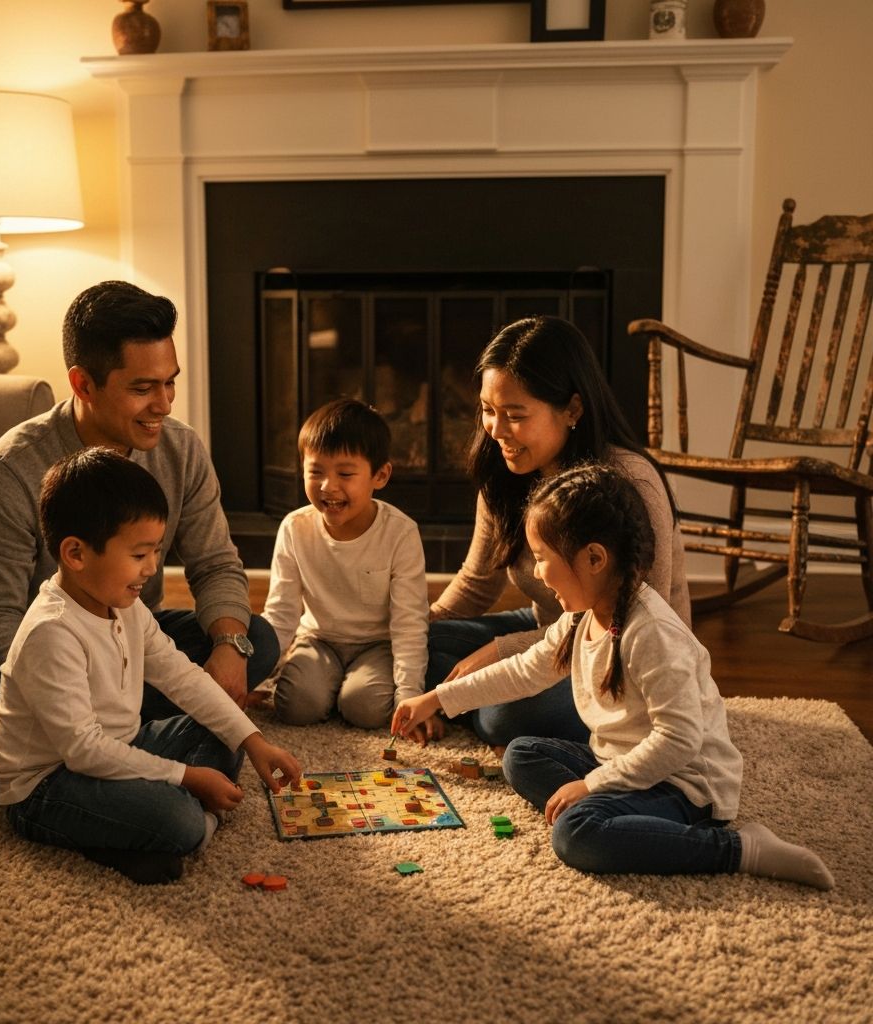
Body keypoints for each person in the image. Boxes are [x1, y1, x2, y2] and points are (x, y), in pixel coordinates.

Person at [393, 465, 834, 890]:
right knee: (521, 755)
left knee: (576, 835)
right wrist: (436, 698)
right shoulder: (582, 616)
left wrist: (592, 786)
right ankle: (623, 816)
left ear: (595, 558)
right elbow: (526, 670)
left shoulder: (652, 633)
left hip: (684, 785)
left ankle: (737, 848)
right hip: (618, 762)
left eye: (544, 558)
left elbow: (679, 740)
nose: (540, 574)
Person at [0, 281, 279, 792]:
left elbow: (216, 563)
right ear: (83, 383)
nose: (163, 404)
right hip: (47, 662)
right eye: (142, 388)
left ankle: (84, 751)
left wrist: (227, 645)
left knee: (257, 640)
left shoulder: (180, 449)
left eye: (170, 383)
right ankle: (100, 745)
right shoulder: (7, 472)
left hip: (134, 636)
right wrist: (76, 688)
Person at [0, 447, 301, 885]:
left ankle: (139, 830)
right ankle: (169, 829)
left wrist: (253, 741)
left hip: (125, 743)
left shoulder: (125, 605)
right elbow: (83, 751)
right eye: (139, 555)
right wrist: (187, 776)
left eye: (157, 551)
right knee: (180, 821)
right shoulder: (52, 632)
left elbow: (181, 676)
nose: (153, 568)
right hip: (48, 784)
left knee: (225, 729)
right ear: (76, 553)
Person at [426, 315, 690, 748]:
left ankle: (487, 709)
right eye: (488, 412)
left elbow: (633, 617)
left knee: (500, 716)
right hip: (548, 633)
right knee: (425, 645)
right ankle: (468, 701)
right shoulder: (505, 472)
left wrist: (502, 653)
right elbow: (476, 585)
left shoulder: (628, 482)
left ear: (572, 409)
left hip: (621, 661)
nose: (496, 431)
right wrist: (411, 631)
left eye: (514, 415)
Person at [262, 398, 430, 732]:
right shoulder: (295, 528)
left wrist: (409, 694)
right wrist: (253, 677)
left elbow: (409, 620)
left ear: (379, 475)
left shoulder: (400, 533)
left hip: (377, 646)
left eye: (345, 473)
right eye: (316, 472)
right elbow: (280, 612)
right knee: (296, 706)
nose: (328, 486)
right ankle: (324, 683)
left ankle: (346, 689)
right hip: (318, 639)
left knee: (365, 708)